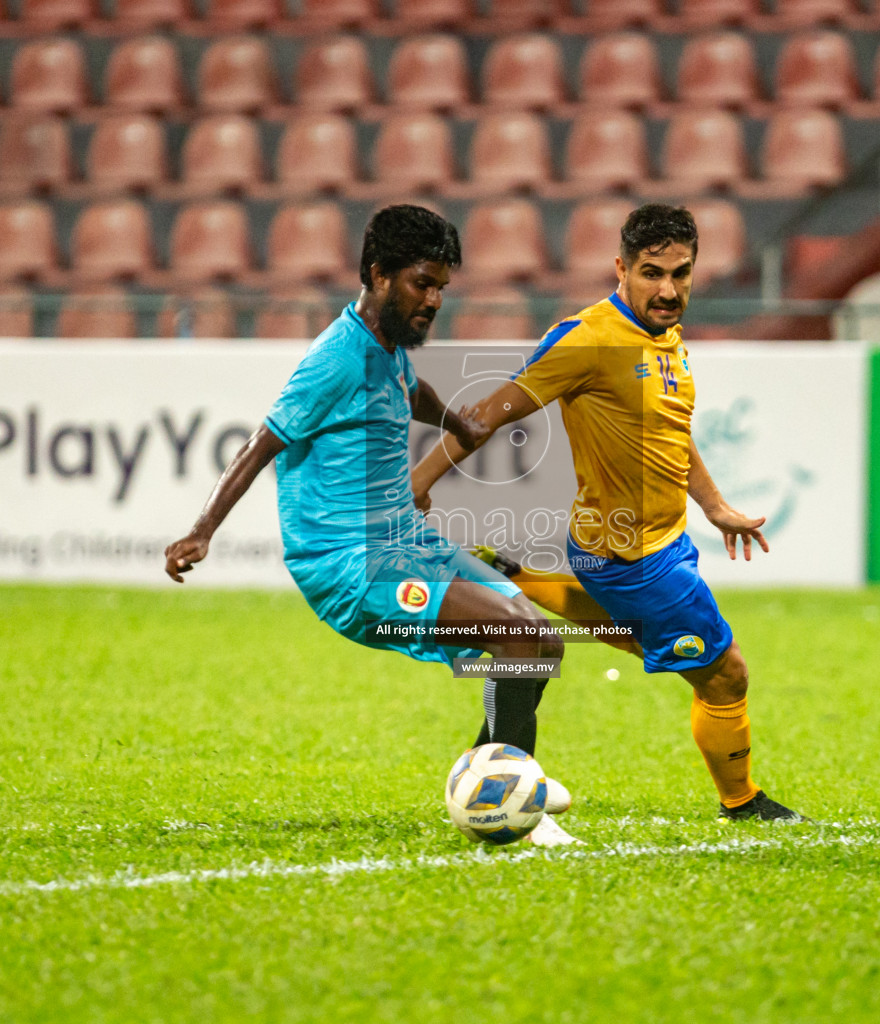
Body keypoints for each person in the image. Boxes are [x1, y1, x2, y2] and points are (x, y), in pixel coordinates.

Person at [164, 205, 578, 846]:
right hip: (351, 565)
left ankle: (493, 780)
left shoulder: (387, 350)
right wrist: (201, 530)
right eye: (422, 283)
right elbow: (261, 443)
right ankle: (512, 809)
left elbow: (410, 389)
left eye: (442, 286)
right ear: (379, 274)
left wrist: (455, 423)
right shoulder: (337, 359)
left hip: (405, 541)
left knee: (539, 645)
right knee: (517, 639)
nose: (434, 300)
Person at [411, 204, 803, 822]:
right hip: (633, 559)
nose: (668, 290)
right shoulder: (589, 339)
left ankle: (517, 576)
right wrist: (419, 482)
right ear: (620, 268)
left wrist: (714, 505)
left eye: (681, 273)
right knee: (725, 673)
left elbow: (670, 431)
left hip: (658, 541)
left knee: (648, 639)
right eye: (651, 273)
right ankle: (743, 801)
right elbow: (487, 414)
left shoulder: (663, 335)